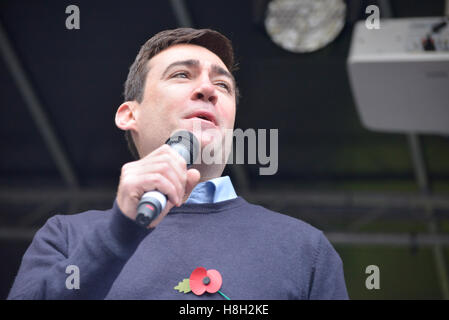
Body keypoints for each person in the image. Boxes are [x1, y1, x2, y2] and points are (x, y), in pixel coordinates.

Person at [8, 28, 348, 300]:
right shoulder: (66, 236)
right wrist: (118, 234)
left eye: (222, 85)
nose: (207, 90)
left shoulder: (305, 248)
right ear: (130, 114)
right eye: (182, 75)